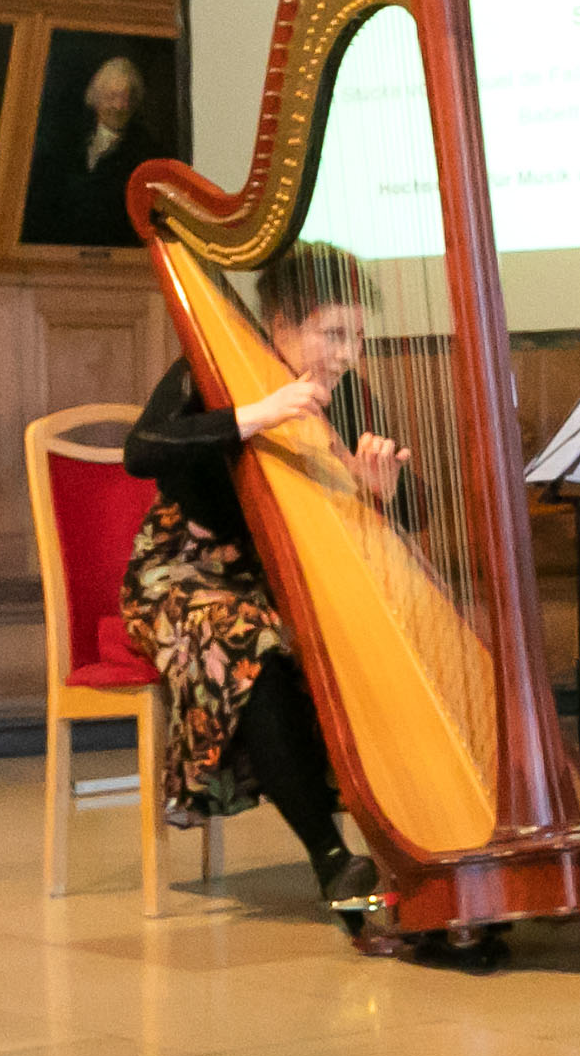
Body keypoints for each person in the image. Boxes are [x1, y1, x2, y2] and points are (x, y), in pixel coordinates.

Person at [121, 241, 410, 921]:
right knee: (253, 639)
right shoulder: (211, 366)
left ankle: (406, 834)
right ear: (280, 323)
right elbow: (142, 449)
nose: (345, 354)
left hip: (278, 581)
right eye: (332, 333)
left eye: (357, 338)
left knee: (349, 638)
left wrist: (380, 492)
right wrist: (258, 414)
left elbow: (413, 499)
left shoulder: (345, 395)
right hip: (180, 574)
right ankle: (332, 859)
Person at [26, 52, 161, 244]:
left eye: (126, 98)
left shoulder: (144, 151)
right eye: (112, 96)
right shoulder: (69, 141)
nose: (119, 106)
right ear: (96, 98)